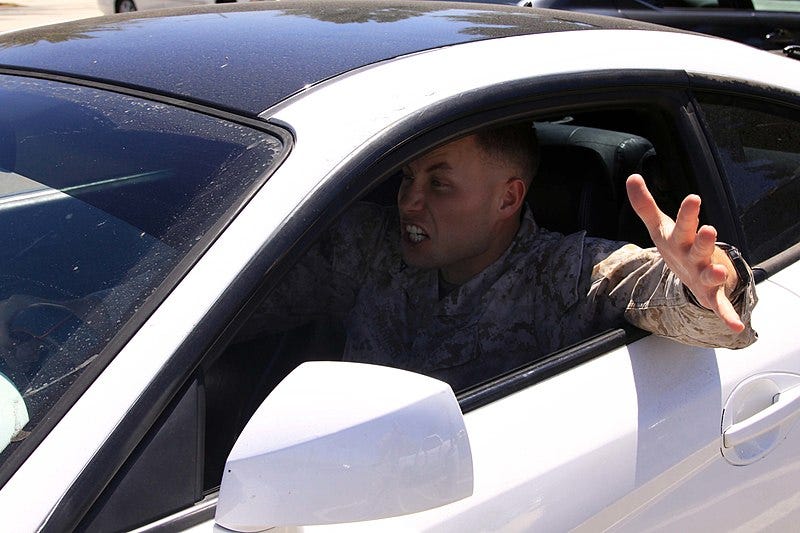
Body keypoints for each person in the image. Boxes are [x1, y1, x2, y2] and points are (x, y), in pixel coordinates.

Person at [240, 123, 757, 390]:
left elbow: (658, 290)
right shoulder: (369, 246)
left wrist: (706, 279)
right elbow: (232, 300)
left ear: (508, 199)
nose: (409, 200)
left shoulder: (560, 274)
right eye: (407, 177)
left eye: (438, 183)